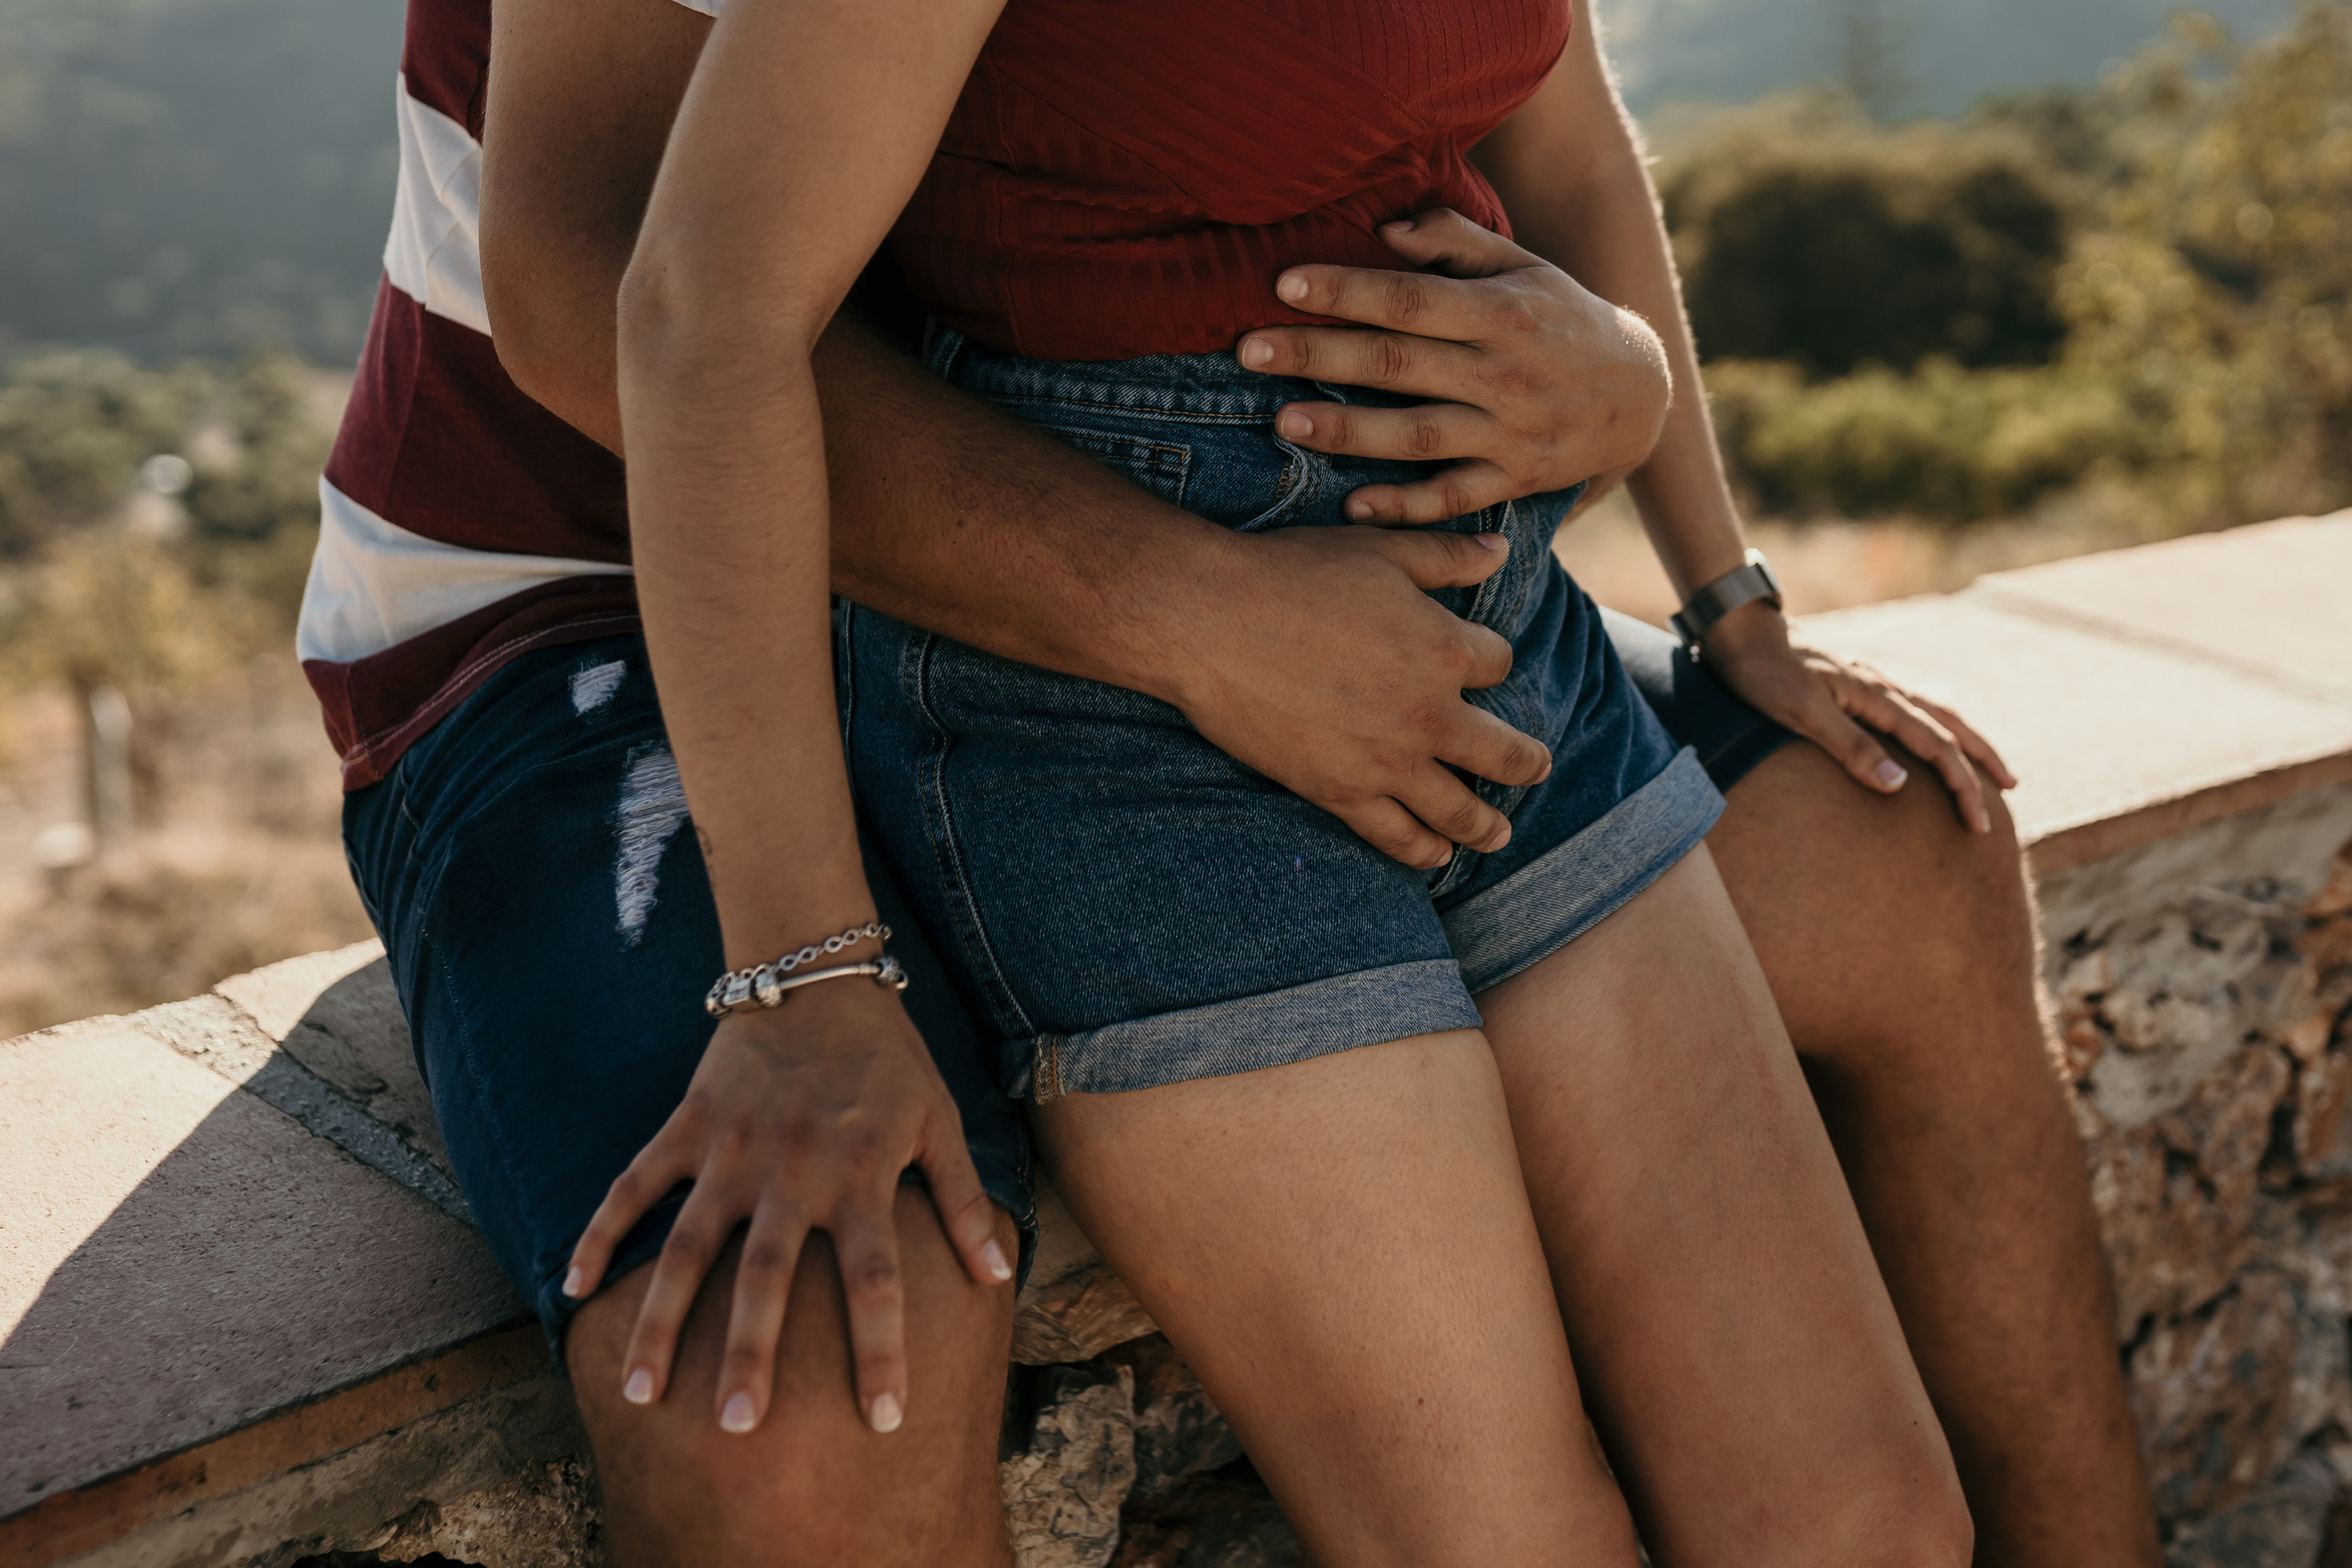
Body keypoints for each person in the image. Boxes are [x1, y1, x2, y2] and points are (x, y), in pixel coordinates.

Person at [307, 2, 2159, 1565]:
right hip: (585, 586)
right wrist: (1165, 637)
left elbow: (1519, 113)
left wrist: (1637, 420)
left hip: (1249, 533)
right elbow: (602, 297)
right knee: (796, 1349)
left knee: (1892, 845)